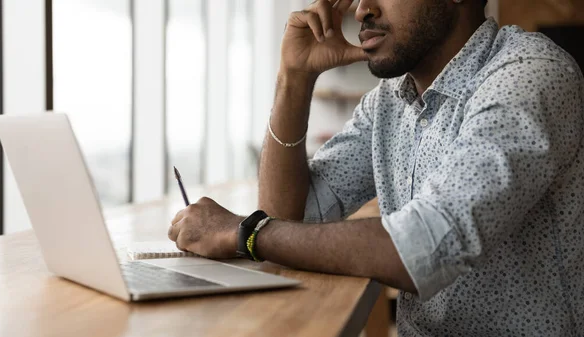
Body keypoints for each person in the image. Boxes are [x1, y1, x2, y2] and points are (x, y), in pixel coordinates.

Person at [168, 0, 584, 335]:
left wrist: (245, 232)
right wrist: (294, 77)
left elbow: (423, 247)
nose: (361, 9)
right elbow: (291, 215)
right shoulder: (390, 100)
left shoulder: (530, 76)